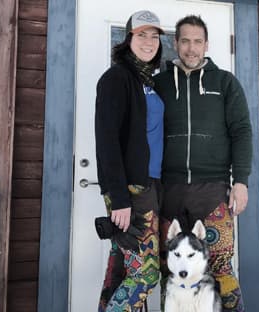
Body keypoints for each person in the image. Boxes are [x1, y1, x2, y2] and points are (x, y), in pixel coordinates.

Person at [154, 15, 252, 312]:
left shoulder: (224, 83)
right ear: (175, 43)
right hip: (168, 190)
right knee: (170, 270)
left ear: (206, 44)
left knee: (220, 266)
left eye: (198, 41)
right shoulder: (158, 84)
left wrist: (241, 181)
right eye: (185, 41)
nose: (191, 48)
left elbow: (241, 132)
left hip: (213, 190)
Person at [94, 10, 165, 311]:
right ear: (128, 39)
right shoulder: (116, 78)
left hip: (149, 184)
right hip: (130, 191)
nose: (149, 42)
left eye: (154, 35)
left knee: (121, 271)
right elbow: (106, 141)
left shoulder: (145, 80)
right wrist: (119, 196)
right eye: (141, 35)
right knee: (146, 275)